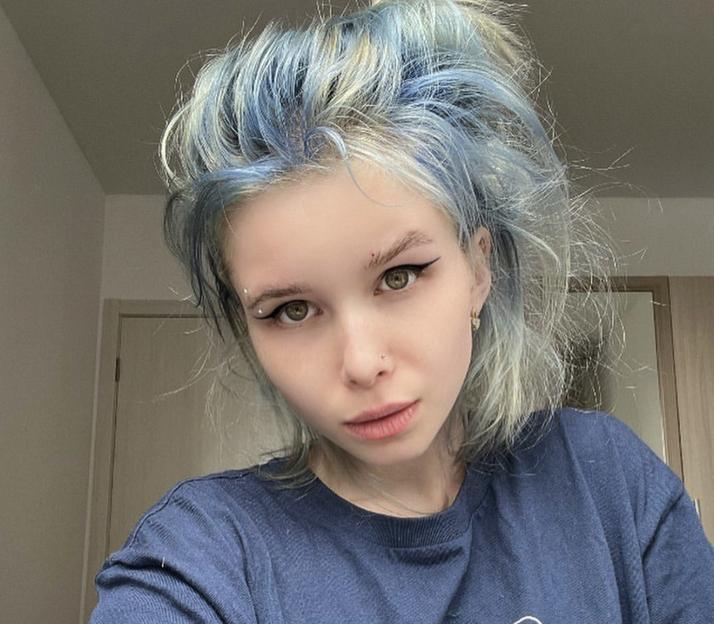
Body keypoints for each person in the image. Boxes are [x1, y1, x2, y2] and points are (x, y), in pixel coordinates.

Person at [90, 1, 714, 622]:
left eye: (399, 276)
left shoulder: (606, 482)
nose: (363, 363)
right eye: (292, 310)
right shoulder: (205, 553)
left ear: (477, 270)